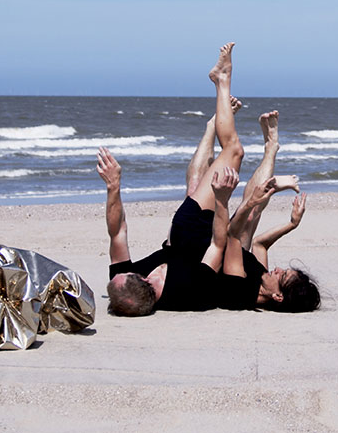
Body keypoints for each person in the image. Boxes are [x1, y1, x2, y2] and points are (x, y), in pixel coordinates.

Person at [99, 42, 258, 315]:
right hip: (202, 232)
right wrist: (222, 200)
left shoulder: (130, 282)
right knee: (229, 154)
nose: (119, 271)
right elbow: (218, 245)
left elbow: (117, 232)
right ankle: (221, 82)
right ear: (144, 281)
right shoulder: (189, 292)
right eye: (123, 274)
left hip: (186, 229)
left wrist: (113, 186)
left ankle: (218, 98)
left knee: (218, 165)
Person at [187, 109, 320, 313]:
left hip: (202, 244)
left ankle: (211, 128)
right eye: (284, 270)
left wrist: (251, 201)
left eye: (282, 276)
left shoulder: (241, 292)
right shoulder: (263, 280)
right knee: (251, 214)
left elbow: (232, 235)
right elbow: (260, 244)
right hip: (222, 242)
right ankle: (271, 148)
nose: (277, 269)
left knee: (195, 186)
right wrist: (291, 224)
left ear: (278, 296)